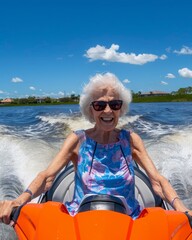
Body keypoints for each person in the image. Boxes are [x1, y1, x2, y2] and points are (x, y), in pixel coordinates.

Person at [0, 72, 191, 224]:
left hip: (128, 219)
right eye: (100, 105)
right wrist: (19, 201)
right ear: (90, 109)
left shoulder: (131, 140)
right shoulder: (77, 140)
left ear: (120, 108)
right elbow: (47, 177)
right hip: (81, 218)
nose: (108, 111)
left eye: (114, 104)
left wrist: (182, 208)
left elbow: (157, 181)